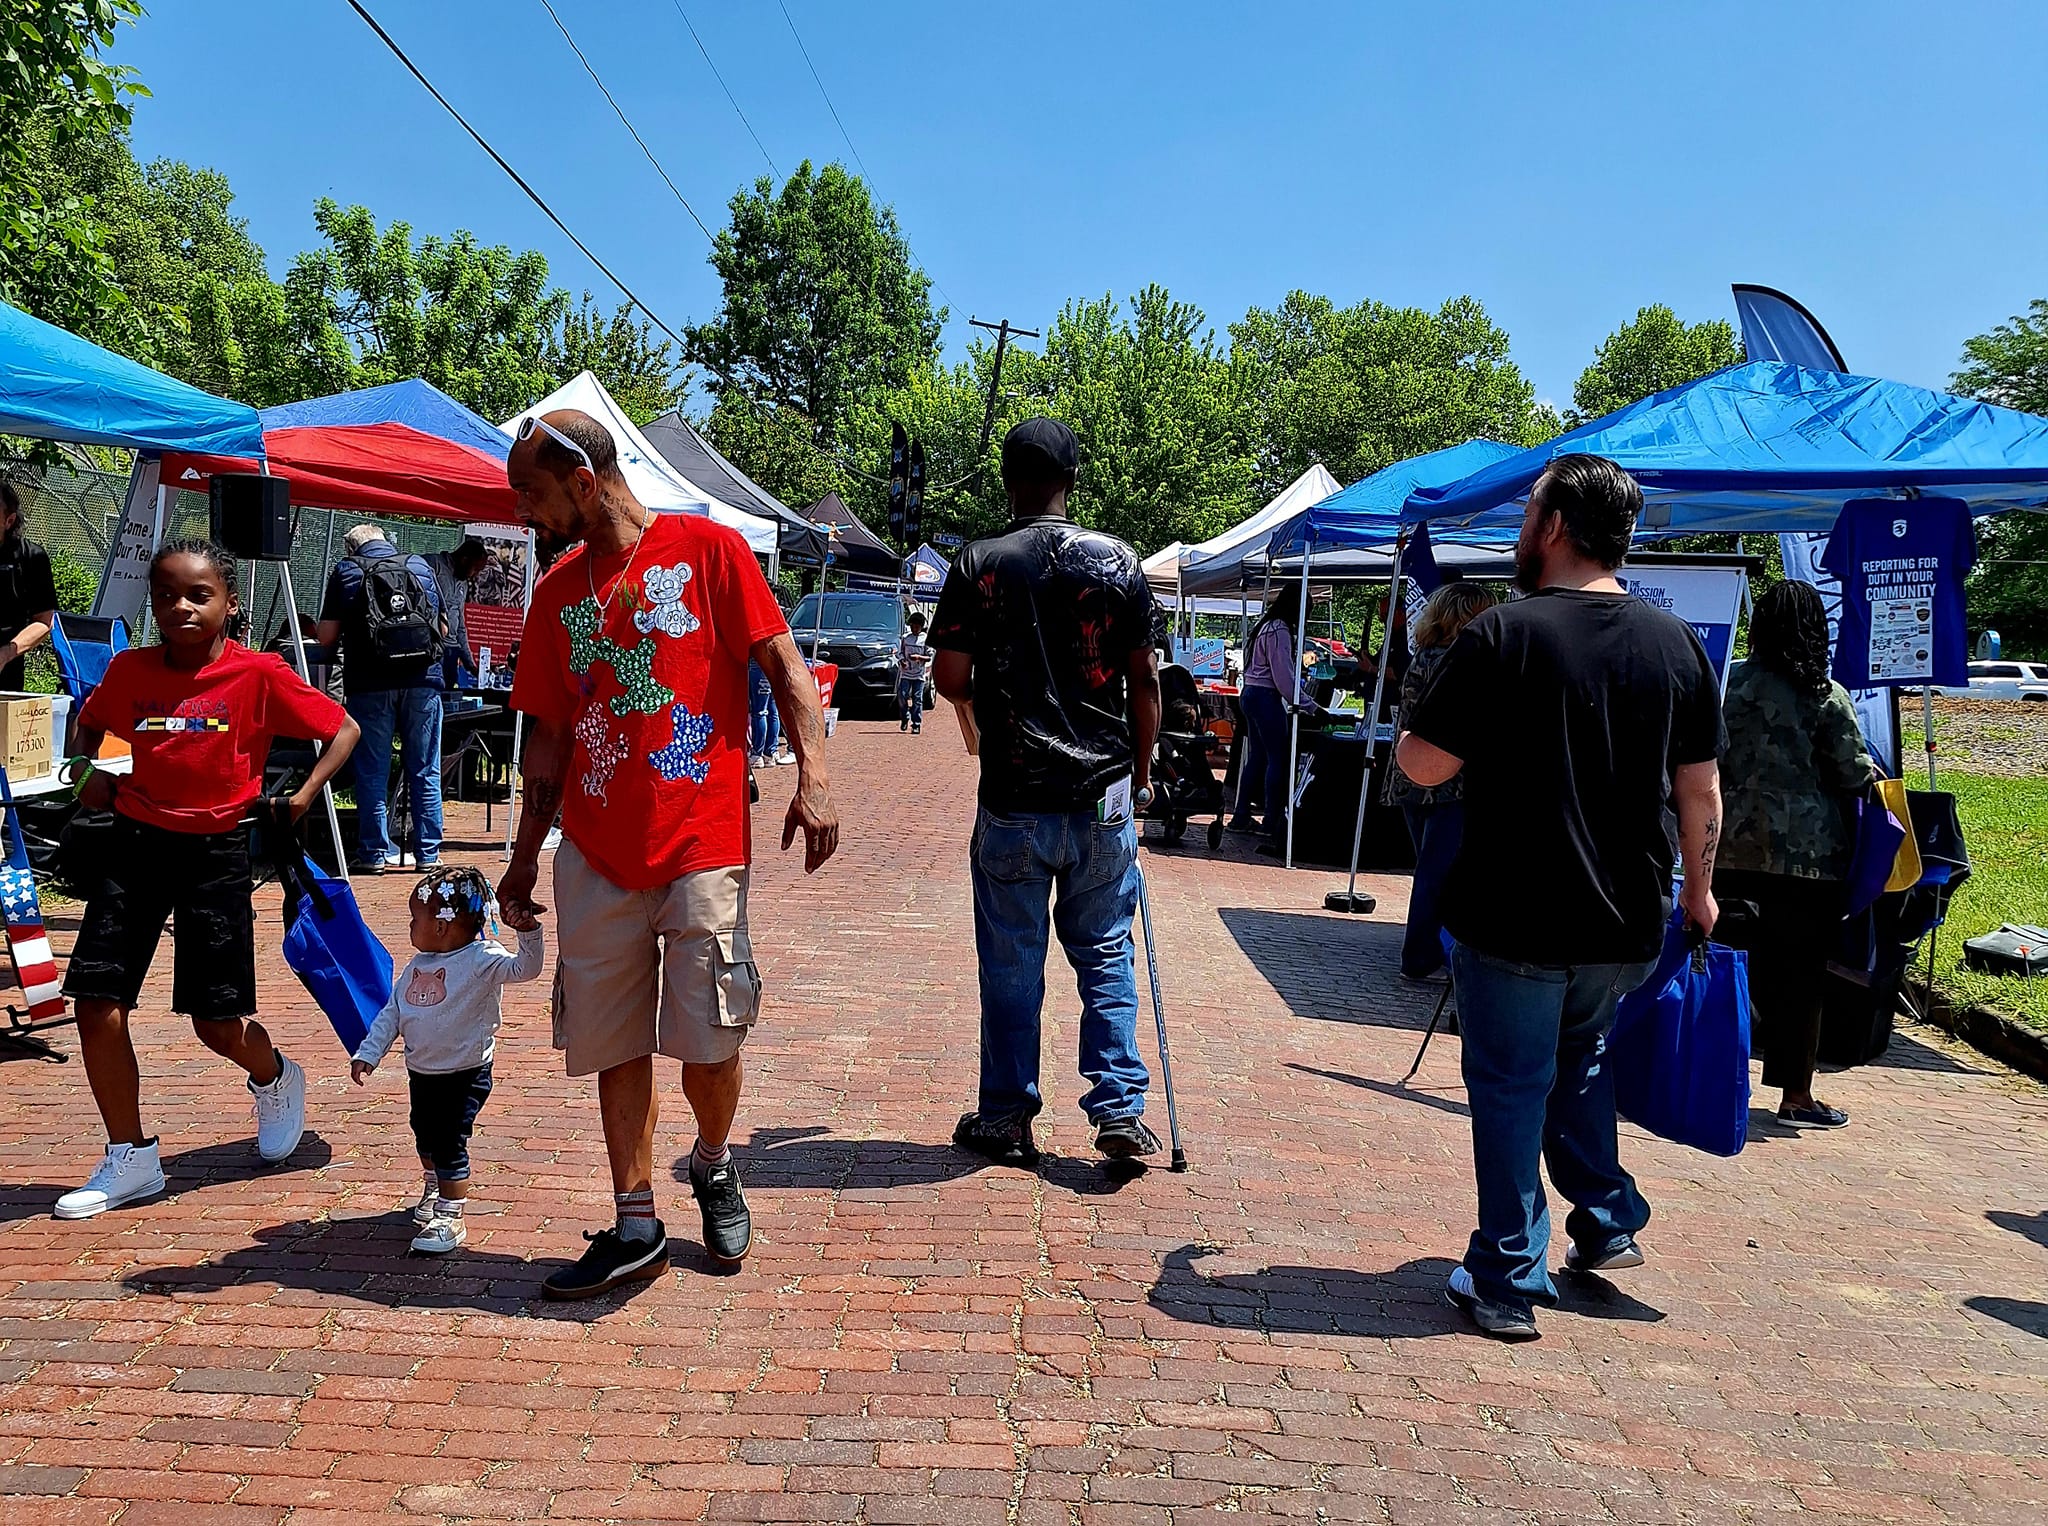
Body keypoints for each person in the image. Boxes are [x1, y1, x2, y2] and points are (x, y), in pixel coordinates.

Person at [497, 409, 838, 1300]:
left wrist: (816, 775)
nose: (525, 516)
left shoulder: (709, 551)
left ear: (581, 481)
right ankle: (635, 1221)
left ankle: (715, 1161)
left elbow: (786, 670)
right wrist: (526, 855)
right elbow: (547, 741)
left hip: (701, 842)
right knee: (614, 1038)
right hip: (597, 848)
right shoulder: (556, 593)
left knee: (710, 1038)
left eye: (531, 496)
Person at [1397, 455, 1724, 1341]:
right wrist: (1700, 892)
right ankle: (1608, 1222)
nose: (1517, 527)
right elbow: (1701, 791)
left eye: (1527, 510)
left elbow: (1422, 762)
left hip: (1517, 907)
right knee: (1576, 1061)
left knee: (1509, 1085)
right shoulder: (1676, 643)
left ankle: (1506, 1275)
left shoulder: (1503, 636)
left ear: (1553, 526)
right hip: (1625, 916)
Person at [51, 539, 361, 1220]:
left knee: (215, 1024)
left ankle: (275, 1076)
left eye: (199, 595)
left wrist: (305, 794)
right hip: (134, 846)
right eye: (167, 595)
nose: (181, 607)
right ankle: (130, 1156)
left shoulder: (259, 673)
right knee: (96, 1003)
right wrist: (101, 773)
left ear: (228, 603)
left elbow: (343, 728)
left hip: (216, 854)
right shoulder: (131, 671)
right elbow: (91, 724)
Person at [931, 417, 1163, 1168]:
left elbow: (949, 677)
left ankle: (1005, 1113)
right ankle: (1120, 1108)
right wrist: (1145, 769)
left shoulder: (979, 562)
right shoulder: (1122, 561)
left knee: (1011, 962)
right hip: (1102, 792)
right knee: (1105, 954)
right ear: (1073, 479)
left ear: (1008, 478)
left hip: (1015, 792)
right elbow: (1145, 679)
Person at [1714, 580, 1877, 1131]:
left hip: (1726, 848)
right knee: (1799, 979)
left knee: (1720, 965)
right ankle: (1795, 1096)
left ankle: (1709, 1075)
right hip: (1808, 862)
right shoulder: (1823, 693)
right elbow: (1853, 774)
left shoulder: (1727, 683)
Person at [350, 865, 546, 1253]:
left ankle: (451, 1215)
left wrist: (529, 934)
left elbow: (526, 969)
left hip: (465, 1072)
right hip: (422, 1071)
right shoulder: (416, 967)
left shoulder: (481, 958)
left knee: (449, 1140)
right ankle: (433, 1188)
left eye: (414, 919)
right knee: (424, 1134)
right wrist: (368, 1052)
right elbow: (393, 1013)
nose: (409, 926)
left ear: (440, 927)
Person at [316, 525, 445, 873]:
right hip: (422, 681)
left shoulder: (348, 570)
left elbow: (326, 636)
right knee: (424, 769)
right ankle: (428, 855)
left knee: (372, 771)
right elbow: (443, 630)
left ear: (350, 547)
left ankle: (373, 854)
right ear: (387, 540)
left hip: (370, 684)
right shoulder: (419, 565)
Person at [1386, 582, 1496, 983]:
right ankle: (1421, 956)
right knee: (1438, 874)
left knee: (1431, 870)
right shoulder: (1463, 661)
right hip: (1450, 785)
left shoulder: (1423, 657)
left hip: (1412, 780)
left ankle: (1427, 951)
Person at [1236, 591, 1318, 851]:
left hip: (1250, 693)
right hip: (1264, 697)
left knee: (1258, 757)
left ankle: (1240, 814)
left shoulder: (1265, 626)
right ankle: (1271, 819)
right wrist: (1311, 706)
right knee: (1277, 758)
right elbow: (1284, 677)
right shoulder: (1279, 630)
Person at [0, 480, 59, 692]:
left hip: (7, 676)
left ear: (9, 520)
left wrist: (6, 654)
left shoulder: (32, 557)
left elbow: (44, 622)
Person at [424, 537, 491, 693]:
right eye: (475, 569)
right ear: (464, 559)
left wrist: (470, 663)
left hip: (451, 653)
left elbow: (460, 625)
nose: (475, 575)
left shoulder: (463, 583)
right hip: (432, 649)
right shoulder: (433, 565)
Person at [898, 610, 931, 733]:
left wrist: (919, 657)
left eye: (917, 627)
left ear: (921, 627)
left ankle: (916, 723)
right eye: (912, 626)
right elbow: (900, 653)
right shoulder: (906, 638)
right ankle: (905, 717)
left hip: (919, 675)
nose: (914, 629)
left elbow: (929, 656)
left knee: (917, 698)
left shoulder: (925, 639)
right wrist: (902, 661)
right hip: (906, 673)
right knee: (902, 696)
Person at [748, 659, 781, 767]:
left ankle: (757, 754)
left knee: (759, 712)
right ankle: (770, 752)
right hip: (774, 662)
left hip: (758, 662)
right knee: (772, 711)